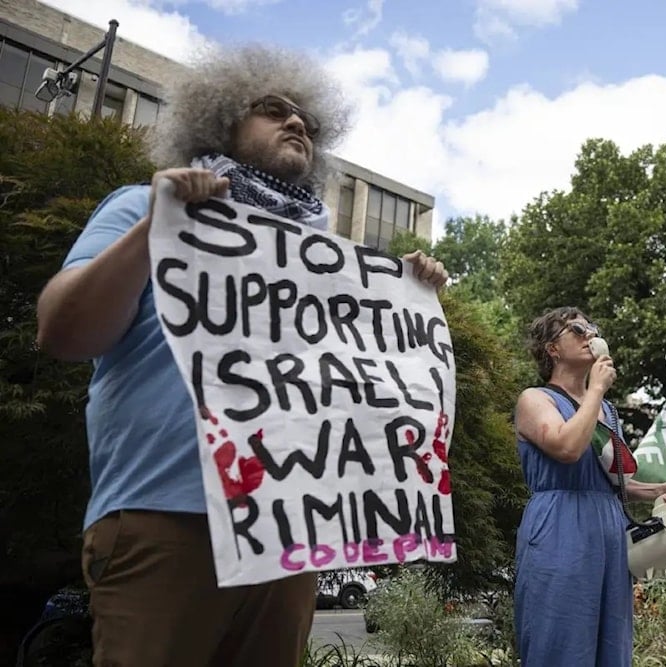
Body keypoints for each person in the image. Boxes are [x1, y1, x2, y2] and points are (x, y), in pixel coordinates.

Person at [35, 45, 448, 666]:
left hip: (290, 531)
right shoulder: (142, 208)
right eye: (273, 109)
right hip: (164, 516)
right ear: (220, 118)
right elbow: (63, 333)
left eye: (307, 120)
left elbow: (362, 391)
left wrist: (406, 297)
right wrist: (154, 225)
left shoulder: (328, 264)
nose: (296, 124)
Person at [513, 307, 666, 666]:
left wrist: (658, 492)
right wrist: (595, 389)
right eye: (577, 328)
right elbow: (567, 448)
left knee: (610, 643)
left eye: (592, 328)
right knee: (560, 639)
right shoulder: (536, 400)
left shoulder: (607, 411)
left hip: (609, 529)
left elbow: (611, 481)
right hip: (560, 526)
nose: (589, 334)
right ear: (553, 349)